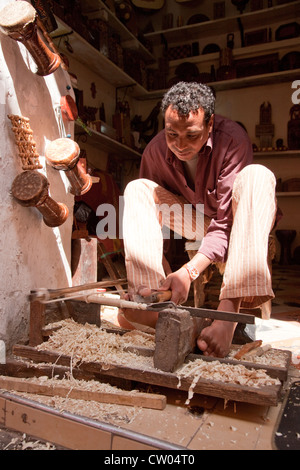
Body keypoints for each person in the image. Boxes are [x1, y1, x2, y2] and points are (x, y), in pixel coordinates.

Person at [119, 81, 277, 358]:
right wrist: (166, 277)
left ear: (210, 123)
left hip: (240, 223)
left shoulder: (232, 140)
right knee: (136, 188)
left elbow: (226, 224)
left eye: (191, 136)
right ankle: (151, 308)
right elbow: (152, 221)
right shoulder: (155, 151)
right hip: (198, 222)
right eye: (172, 134)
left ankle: (227, 318)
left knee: (257, 176)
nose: (180, 145)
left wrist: (189, 272)